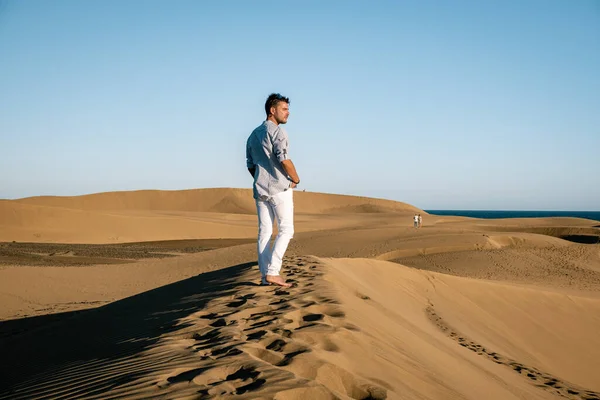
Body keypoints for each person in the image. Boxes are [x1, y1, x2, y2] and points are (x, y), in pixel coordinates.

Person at [246, 93, 301, 288]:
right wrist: (295, 178)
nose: (288, 113)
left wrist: (261, 178)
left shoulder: (253, 135)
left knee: (265, 233)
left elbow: (250, 165)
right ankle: (273, 271)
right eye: (284, 109)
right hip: (279, 189)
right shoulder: (278, 133)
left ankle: (264, 275)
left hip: (260, 190)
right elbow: (284, 159)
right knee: (286, 230)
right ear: (272, 110)